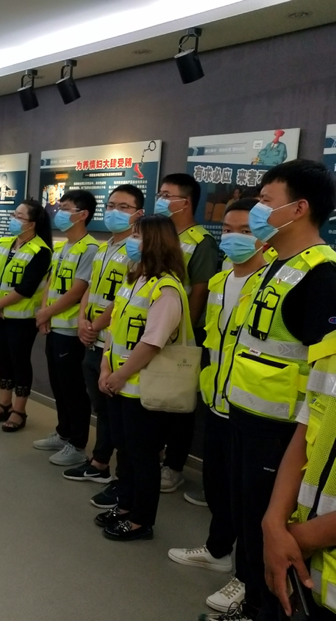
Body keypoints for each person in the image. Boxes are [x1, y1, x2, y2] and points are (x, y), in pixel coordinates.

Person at [224, 159, 336, 621]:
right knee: (249, 524)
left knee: (269, 534)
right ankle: (251, 602)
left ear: (299, 208)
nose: (257, 210)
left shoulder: (322, 275)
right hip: (246, 417)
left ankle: (264, 608)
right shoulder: (276, 264)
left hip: (282, 432)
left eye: (267, 201)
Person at [167, 199, 267, 617]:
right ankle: (217, 550)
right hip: (218, 399)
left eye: (245, 231)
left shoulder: (269, 282)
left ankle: (248, 578)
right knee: (218, 485)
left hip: (254, 408)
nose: (233, 238)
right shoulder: (221, 279)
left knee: (250, 500)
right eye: (227, 229)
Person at [95, 214, 192, 541]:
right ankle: (124, 505)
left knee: (143, 456)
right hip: (119, 383)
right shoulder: (135, 279)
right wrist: (106, 368)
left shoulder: (167, 289)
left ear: (156, 242)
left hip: (142, 388)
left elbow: (152, 342)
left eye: (138, 236)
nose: (131, 241)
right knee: (125, 451)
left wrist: (120, 375)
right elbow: (114, 329)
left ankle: (140, 520)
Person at [62, 185, 145, 509]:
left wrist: (96, 325)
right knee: (100, 405)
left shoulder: (136, 250)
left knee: (114, 411)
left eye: (124, 207)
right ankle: (98, 462)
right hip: (92, 336)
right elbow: (90, 288)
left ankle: (107, 468)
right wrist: (83, 320)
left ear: (139, 213)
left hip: (113, 340)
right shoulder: (104, 247)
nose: (115, 212)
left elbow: (124, 296)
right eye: (111, 205)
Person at [262, 330, 336, 621]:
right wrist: (273, 523)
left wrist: (299, 539)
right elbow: (303, 436)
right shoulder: (330, 347)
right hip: (306, 574)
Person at [155, 173, 219, 494]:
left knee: (179, 404)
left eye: (167, 195)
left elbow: (200, 291)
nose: (161, 200)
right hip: (154, 333)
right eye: (160, 194)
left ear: (186, 202)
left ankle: (174, 465)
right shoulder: (160, 234)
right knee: (155, 400)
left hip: (182, 337)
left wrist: (184, 334)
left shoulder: (200, 241)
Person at [32, 190, 100, 466]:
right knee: (58, 386)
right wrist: (44, 313)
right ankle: (63, 433)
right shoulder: (62, 246)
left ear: (82, 215)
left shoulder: (90, 248)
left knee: (73, 389)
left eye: (66, 208)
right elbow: (51, 283)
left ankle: (77, 444)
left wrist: (47, 312)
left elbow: (78, 290)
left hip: (71, 331)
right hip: (54, 326)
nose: (59, 213)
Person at [0, 199, 52, 432]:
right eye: (14, 214)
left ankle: (19, 410)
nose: (13, 219)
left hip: (22, 319)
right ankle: (4, 403)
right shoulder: (5, 242)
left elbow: (27, 287)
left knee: (19, 361)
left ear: (31, 224)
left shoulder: (41, 251)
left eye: (19, 217)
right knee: (3, 358)